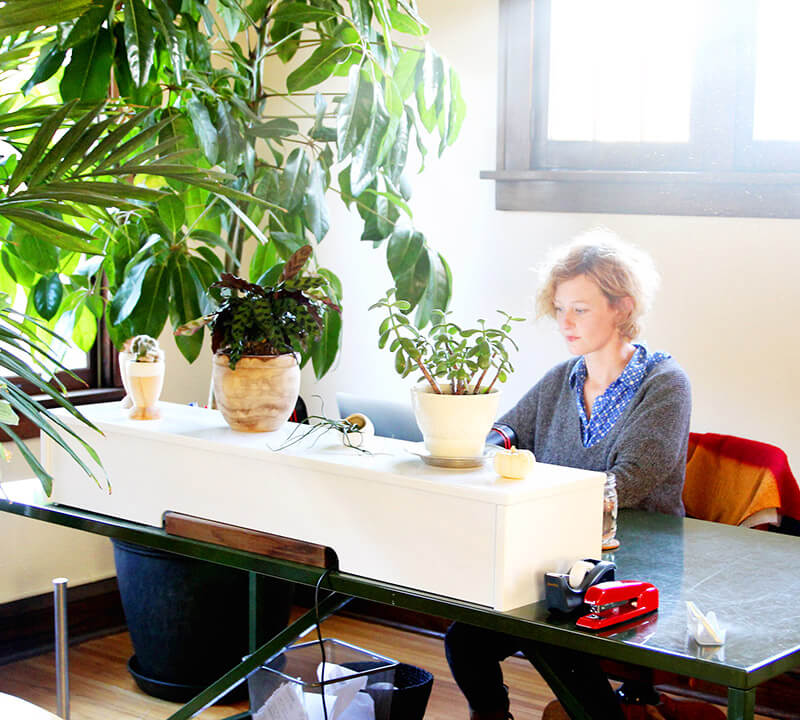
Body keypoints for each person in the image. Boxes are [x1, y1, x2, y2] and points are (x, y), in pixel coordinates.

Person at [445, 229, 714, 720]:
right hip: (561, 558)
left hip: (636, 563)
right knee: (465, 642)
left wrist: (529, 494)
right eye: (560, 307)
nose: (564, 322)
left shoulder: (665, 384)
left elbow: (624, 484)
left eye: (580, 309)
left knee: (560, 637)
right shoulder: (562, 378)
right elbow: (508, 430)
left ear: (622, 308)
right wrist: (482, 450)